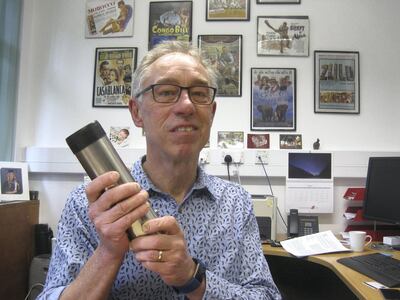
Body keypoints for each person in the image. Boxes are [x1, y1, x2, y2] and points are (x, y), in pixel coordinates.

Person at [38, 41, 281, 299]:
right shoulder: (88, 204)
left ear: (211, 112)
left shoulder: (236, 203)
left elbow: (266, 295)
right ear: (136, 112)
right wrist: (109, 252)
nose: (187, 106)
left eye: (199, 93)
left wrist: (193, 277)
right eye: (166, 92)